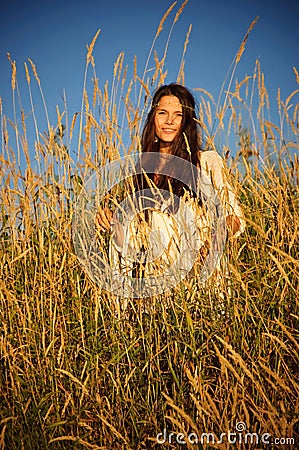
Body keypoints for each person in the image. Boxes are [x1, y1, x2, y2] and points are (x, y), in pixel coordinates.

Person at [96, 83, 245, 299]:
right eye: (162, 113)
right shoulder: (139, 174)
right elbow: (134, 242)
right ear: (153, 119)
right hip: (159, 289)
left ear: (187, 121)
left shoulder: (206, 162)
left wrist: (210, 246)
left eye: (178, 115)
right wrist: (112, 222)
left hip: (200, 279)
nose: (169, 121)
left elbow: (235, 218)